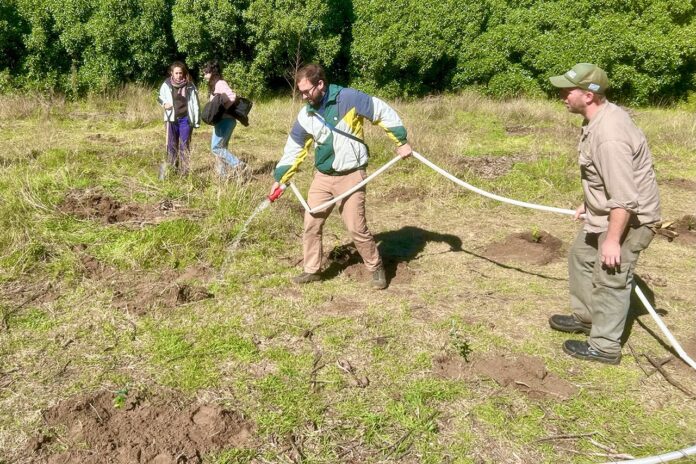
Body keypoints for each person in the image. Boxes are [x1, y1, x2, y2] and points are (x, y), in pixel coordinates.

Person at [548, 63, 661, 364]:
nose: (562, 95)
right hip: (609, 210)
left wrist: (612, 240)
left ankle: (605, 346)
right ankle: (587, 318)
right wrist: (590, 203)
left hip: (630, 219)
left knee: (611, 275)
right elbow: (606, 177)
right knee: (581, 255)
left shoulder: (609, 134)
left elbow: (624, 197)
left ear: (588, 95)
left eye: (568, 90)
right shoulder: (597, 120)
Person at [269, 63, 412, 289]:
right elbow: (294, 147)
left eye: (307, 91)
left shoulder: (349, 98)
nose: (304, 97)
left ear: (320, 84)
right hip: (323, 177)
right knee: (311, 224)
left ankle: (375, 267)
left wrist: (401, 141)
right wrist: (281, 178)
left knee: (356, 227)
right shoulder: (306, 114)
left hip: (351, 176)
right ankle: (312, 270)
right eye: (300, 92)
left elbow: (381, 111)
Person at [202, 61, 246, 177]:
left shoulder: (220, 83)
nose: (204, 75)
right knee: (222, 148)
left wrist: (222, 109)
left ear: (212, 72)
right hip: (223, 121)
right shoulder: (216, 84)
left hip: (225, 120)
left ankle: (238, 164)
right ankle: (222, 175)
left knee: (216, 148)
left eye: (206, 73)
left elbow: (231, 96)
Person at [157, 61, 200, 176]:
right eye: (176, 73)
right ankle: (172, 168)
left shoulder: (190, 85)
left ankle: (185, 171)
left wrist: (196, 120)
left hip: (186, 119)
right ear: (172, 73)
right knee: (171, 145)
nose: (179, 75)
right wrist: (164, 104)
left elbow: (195, 103)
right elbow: (160, 97)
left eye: (180, 73)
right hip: (171, 119)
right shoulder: (166, 84)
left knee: (185, 144)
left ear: (183, 73)